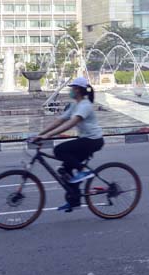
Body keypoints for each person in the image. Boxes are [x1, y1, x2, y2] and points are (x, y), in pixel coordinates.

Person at [30, 76, 104, 212]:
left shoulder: (85, 105)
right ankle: (74, 201)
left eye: (73, 88)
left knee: (59, 150)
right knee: (66, 171)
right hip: (86, 140)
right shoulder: (75, 105)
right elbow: (59, 120)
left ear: (79, 90)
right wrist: (40, 134)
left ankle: (84, 171)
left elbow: (71, 123)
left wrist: (47, 136)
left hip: (93, 140)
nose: (71, 91)